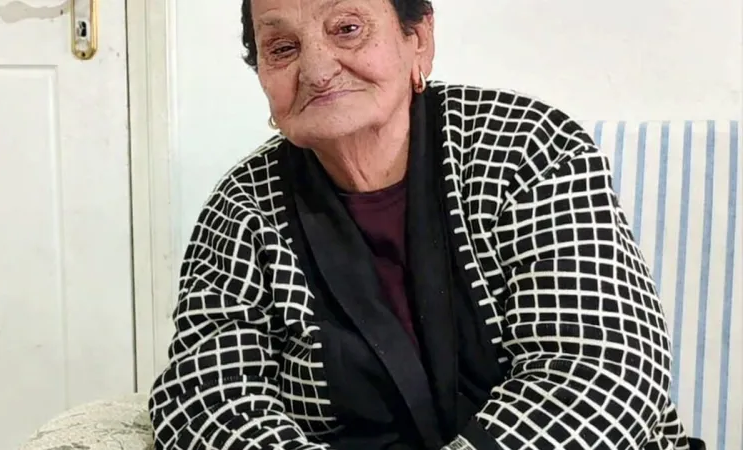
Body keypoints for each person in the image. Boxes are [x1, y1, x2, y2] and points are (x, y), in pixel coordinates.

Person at [148, 1, 703, 449]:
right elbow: (203, 399)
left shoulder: (527, 149)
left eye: (347, 29)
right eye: (282, 48)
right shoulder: (243, 204)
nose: (316, 69)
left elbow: (600, 373)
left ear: (419, 38)